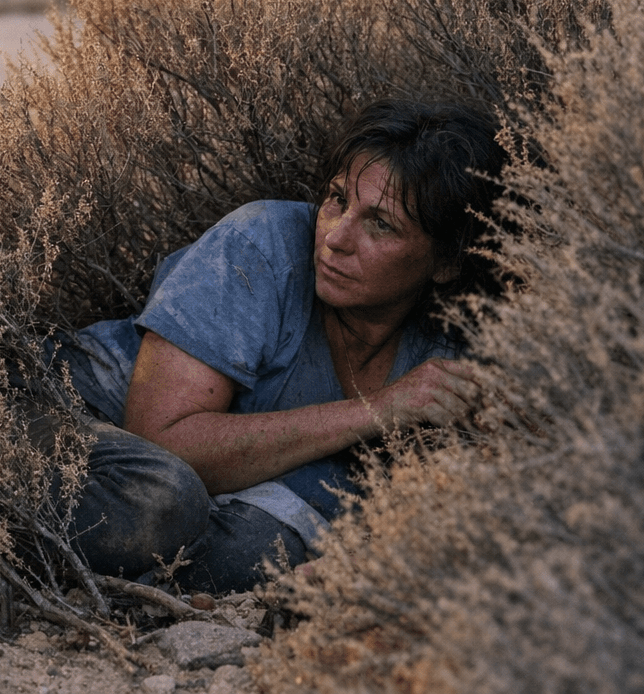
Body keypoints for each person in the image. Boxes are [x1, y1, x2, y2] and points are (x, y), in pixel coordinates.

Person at [53, 99, 505, 594]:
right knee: (163, 500)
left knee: (267, 545)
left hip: (235, 489)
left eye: (380, 224)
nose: (336, 237)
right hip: (67, 412)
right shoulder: (259, 243)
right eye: (336, 200)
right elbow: (160, 440)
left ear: (446, 262)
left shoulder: (456, 339)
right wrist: (378, 409)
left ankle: (127, 583)